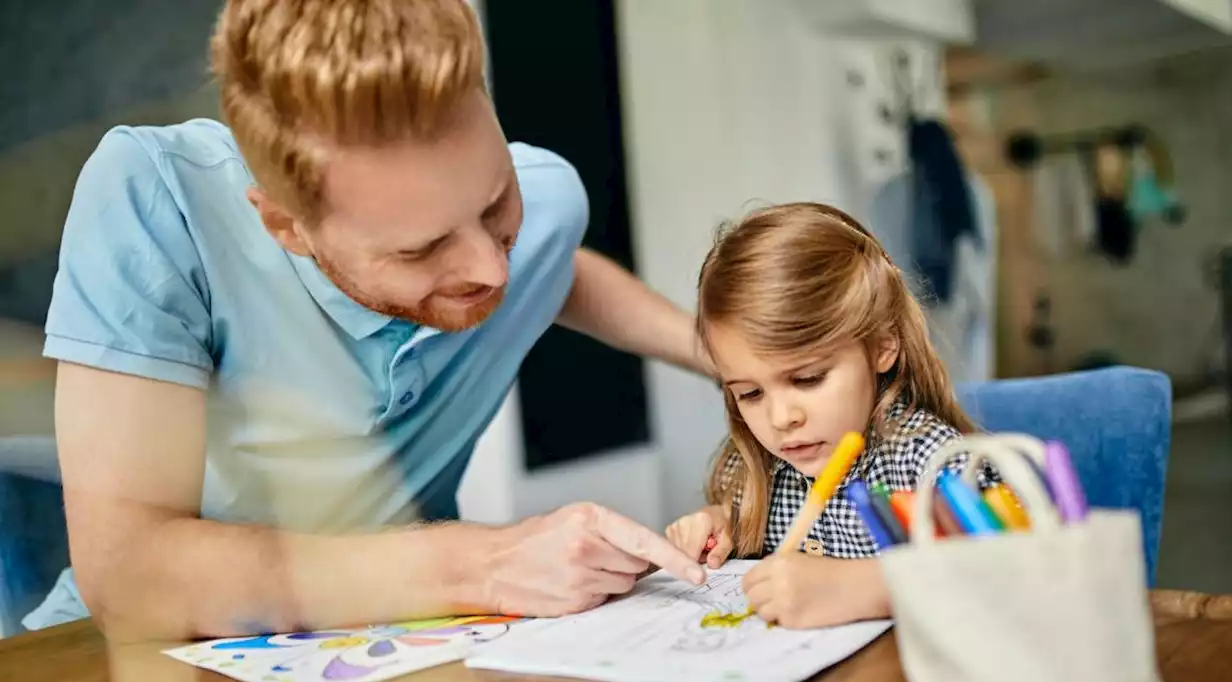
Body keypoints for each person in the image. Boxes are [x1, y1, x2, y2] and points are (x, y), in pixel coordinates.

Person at [34, 0, 709, 641]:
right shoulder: (157, 201)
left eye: (497, 204)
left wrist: (715, 352)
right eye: (422, 249)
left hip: (409, 656)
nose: (490, 269)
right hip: (119, 663)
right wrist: (481, 561)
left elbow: (553, 270)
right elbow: (130, 576)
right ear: (285, 226)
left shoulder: (549, 198)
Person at [665, 202, 980, 629]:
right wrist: (720, 523)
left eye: (808, 379)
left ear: (881, 347)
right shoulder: (754, 466)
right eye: (750, 393)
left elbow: (1007, 573)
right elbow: (734, 527)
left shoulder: (927, 459)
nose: (781, 417)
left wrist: (869, 587)